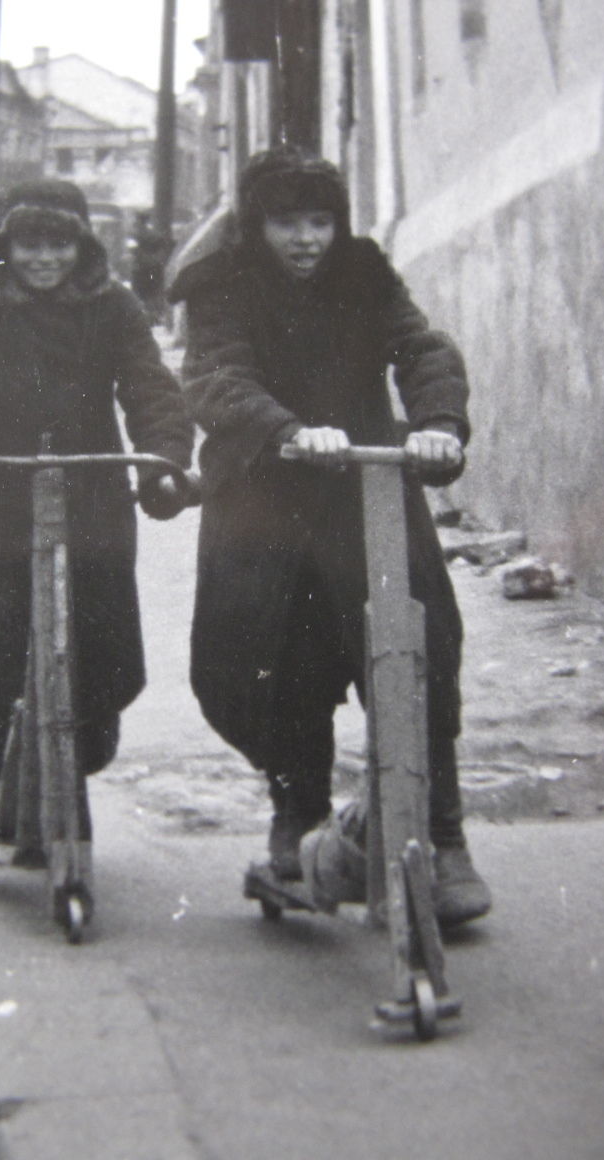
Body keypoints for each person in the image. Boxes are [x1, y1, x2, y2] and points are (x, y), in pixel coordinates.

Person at [166, 146, 491, 932]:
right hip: (264, 491)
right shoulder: (220, 285)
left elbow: (421, 348)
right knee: (261, 657)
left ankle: (440, 835)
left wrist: (438, 425)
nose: (306, 239)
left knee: (419, 646)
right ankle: (298, 816)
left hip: (366, 488)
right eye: (286, 222)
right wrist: (284, 429)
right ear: (256, 224)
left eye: (320, 220)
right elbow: (214, 376)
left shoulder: (365, 272)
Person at [0, 179, 195, 837]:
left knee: (97, 624)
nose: (43, 259)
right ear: (7, 247)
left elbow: (150, 389)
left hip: (91, 492)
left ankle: (73, 765)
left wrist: (164, 456)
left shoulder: (113, 308)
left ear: (81, 247)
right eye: (30, 245)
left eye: (58, 244)